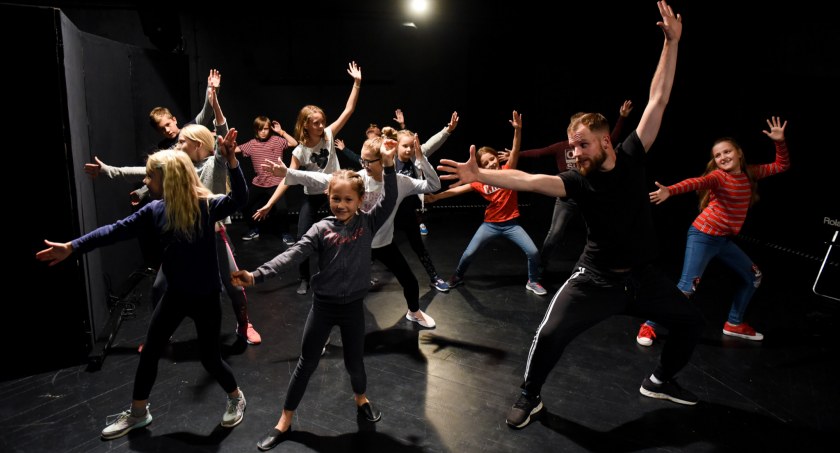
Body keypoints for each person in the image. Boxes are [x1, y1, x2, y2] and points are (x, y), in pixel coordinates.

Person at [436, 1, 705, 430]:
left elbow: (658, 98)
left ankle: (659, 380)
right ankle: (530, 395)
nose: (575, 153)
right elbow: (528, 180)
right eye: (572, 146)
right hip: (595, 279)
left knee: (690, 323)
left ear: (605, 142)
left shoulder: (633, 155)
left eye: (582, 145)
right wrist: (481, 174)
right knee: (549, 334)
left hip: (643, 278)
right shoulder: (577, 181)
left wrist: (671, 43)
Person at [36, 130, 249, 440]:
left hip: (205, 297)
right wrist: (72, 247)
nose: (147, 182)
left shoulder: (205, 206)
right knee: (150, 351)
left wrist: (232, 162)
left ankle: (236, 397)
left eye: (151, 177)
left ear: (169, 179)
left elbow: (240, 199)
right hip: (176, 295)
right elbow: (113, 231)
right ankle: (138, 413)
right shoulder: (154, 210)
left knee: (210, 358)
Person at [232, 136, 399, 451]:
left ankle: (361, 398)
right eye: (336, 198)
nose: (341, 205)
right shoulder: (321, 229)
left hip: (353, 309)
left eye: (348, 199)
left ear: (360, 200)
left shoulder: (368, 223)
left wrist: (389, 166)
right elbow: (292, 255)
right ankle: (284, 420)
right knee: (306, 364)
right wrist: (256, 275)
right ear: (328, 196)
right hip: (323, 308)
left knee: (355, 363)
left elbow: (389, 199)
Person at [84, 86, 263, 346]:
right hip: (182, 235)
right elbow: (143, 171)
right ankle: (159, 333)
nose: (176, 144)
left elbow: (223, 137)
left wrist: (214, 104)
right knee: (159, 287)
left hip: (212, 234)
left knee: (234, 283)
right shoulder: (178, 165)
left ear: (197, 144)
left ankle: (245, 325)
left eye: (181, 142)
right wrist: (108, 170)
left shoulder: (215, 163)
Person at [636, 117, 790, 346]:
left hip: (722, 241)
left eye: (727, 152)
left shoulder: (750, 173)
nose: (723, 157)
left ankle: (734, 323)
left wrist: (780, 142)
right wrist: (670, 190)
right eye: (718, 155)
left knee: (754, 277)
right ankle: (649, 325)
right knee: (687, 288)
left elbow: (782, 165)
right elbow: (696, 182)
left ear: (739, 153)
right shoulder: (718, 177)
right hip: (703, 236)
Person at [264, 129, 441, 328]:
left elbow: (433, 185)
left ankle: (414, 312)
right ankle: (322, 328)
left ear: (384, 159)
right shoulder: (359, 178)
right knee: (336, 287)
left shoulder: (400, 182)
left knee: (410, 281)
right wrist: (288, 173)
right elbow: (323, 179)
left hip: (383, 243)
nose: (363, 165)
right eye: (362, 160)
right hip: (356, 241)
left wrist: (420, 158)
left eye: (368, 161)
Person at [254, 61, 363, 296]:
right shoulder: (300, 151)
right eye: (316, 122)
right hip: (313, 196)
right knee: (302, 237)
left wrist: (356, 83)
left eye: (323, 121)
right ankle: (304, 278)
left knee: (346, 231)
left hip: (334, 193)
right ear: (306, 124)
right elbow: (288, 178)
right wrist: (269, 204)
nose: (322, 125)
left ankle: (347, 272)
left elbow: (348, 110)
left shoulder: (329, 134)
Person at [502, 100, 634, 275]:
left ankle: (605, 264)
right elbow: (539, 152)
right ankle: (540, 265)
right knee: (555, 233)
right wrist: (514, 154)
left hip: (590, 194)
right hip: (568, 197)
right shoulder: (561, 147)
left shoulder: (593, 145)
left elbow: (611, 139)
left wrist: (622, 117)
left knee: (603, 231)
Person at [425, 111, 546, 296]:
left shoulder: (508, 171)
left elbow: (515, 151)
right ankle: (457, 276)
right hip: (490, 224)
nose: (490, 164)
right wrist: (436, 197)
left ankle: (533, 281)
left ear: (497, 158)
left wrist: (518, 130)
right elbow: (458, 190)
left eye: (492, 159)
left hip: (511, 224)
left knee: (533, 252)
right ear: (481, 167)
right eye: (485, 163)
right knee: (469, 254)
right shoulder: (480, 181)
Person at [394, 111, 460, 292]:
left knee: (418, 247)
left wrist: (448, 130)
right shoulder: (388, 160)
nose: (409, 150)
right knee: (376, 246)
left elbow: (432, 143)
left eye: (411, 146)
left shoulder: (415, 155)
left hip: (408, 211)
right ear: (396, 146)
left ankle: (434, 277)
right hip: (390, 212)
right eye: (405, 146)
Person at [236, 116, 298, 245]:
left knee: (281, 209)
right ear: (256, 130)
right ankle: (254, 229)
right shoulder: (252, 144)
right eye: (260, 129)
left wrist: (281, 132)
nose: (263, 132)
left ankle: (285, 233)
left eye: (266, 129)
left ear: (270, 129)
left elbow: (294, 143)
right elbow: (235, 150)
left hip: (276, 182)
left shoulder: (276, 140)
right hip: (259, 183)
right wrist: (223, 141)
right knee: (244, 204)